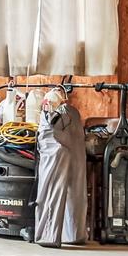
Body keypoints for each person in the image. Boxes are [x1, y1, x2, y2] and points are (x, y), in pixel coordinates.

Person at [32, 91, 87, 247]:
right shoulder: (72, 112)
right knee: (76, 181)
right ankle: (74, 233)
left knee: (52, 183)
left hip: (54, 132)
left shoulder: (55, 114)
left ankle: (48, 235)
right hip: (72, 128)